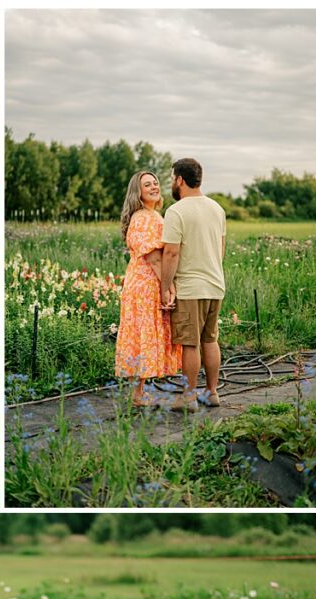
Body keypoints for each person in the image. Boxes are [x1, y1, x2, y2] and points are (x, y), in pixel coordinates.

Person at [160, 158, 227, 412]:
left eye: (171, 178)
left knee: (190, 343)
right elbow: (220, 249)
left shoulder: (176, 211)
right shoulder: (217, 209)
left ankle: (188, 398)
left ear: (179, 179)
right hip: (215, 284)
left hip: (190, 288)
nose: (171, 183)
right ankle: (211, 392)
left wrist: (166, 286)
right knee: (210, 339)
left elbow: (171, 254)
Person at [113, 171, 182, 407]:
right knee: (141, 332)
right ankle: (137, 395)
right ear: (138, 192)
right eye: (147, 185)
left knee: (139, 332)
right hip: (145, 283)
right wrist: (168, 286)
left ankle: (138, 393)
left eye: (155, 183)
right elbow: (154, 258)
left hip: (142, 281)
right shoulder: (144, 217)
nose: (154, 187)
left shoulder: (150, 215)